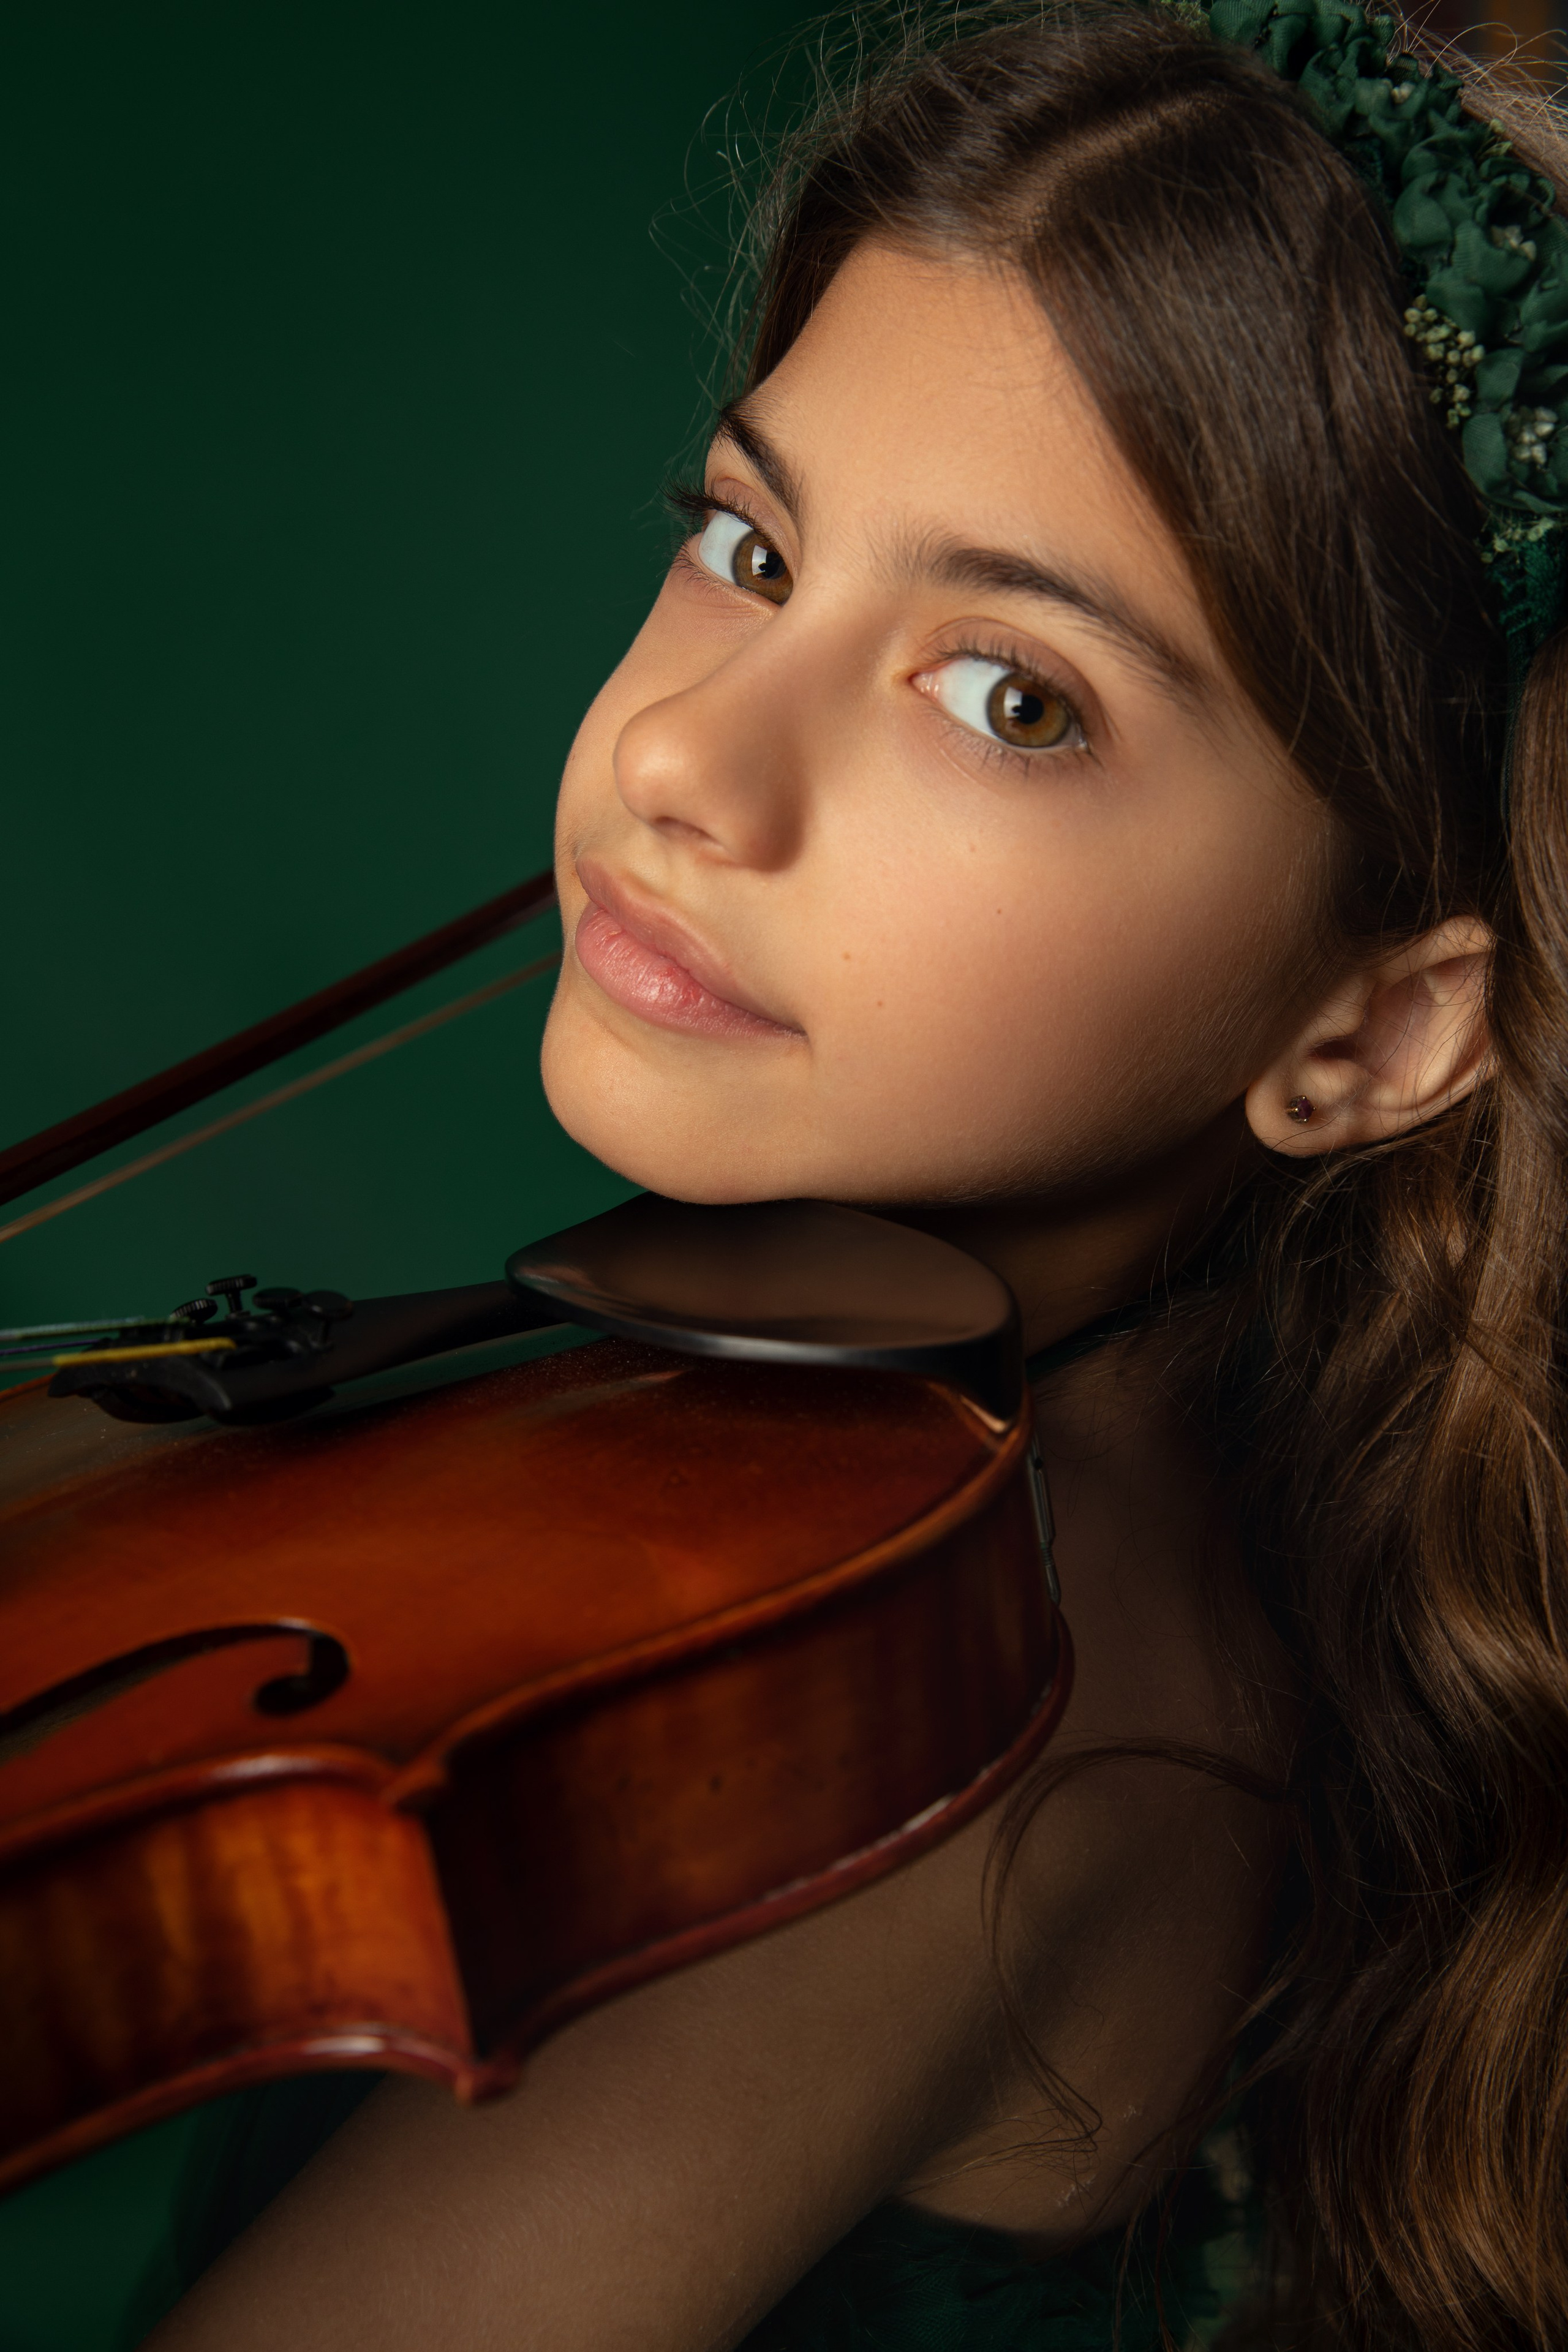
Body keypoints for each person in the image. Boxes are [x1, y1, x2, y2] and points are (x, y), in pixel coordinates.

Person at [141, 1, 1568, 2344]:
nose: (696, 752)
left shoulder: (940, 1766)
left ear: (1375, 1032)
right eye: (750, 543)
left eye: (1014, 696)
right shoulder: (940, 1473)